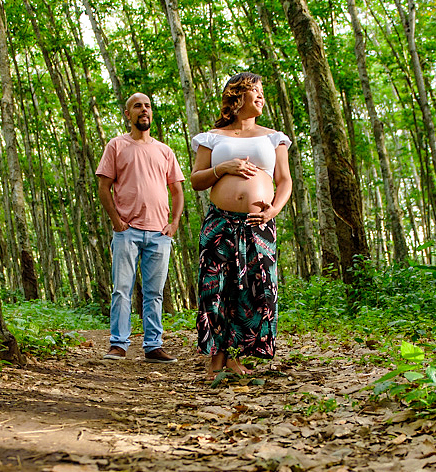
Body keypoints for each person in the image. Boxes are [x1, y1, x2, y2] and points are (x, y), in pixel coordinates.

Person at [189, 72, 292, 377]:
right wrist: (223, 168)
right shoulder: (212, 137)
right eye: (255, 90)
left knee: (253, 289)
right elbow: (196, 180)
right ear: (237, 96)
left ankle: (235, 355)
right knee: (215, 288)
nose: (261, 97)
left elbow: (285, 180)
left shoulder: (274, 137)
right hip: (219, 223)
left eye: (262, 92)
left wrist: (274, 210)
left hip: (258, 224)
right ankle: (216, 358)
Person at [96, 93, 185, 363]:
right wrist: (116, 222)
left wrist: (174, 223)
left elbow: (177, 191)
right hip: (127, 231)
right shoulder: (116, 145)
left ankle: (153, 346)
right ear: (128, 114)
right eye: (137, 106)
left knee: (154, 293)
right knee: (122, 290)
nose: (143, 110)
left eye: (147, 106)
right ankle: (118, 344)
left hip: (159, 233)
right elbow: (103, 187)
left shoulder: (165, 151)